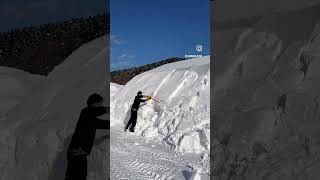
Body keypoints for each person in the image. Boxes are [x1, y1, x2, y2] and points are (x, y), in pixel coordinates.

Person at [65, 93, 109, 180]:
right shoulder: (86, 113)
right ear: (94, 103)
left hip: (81, 152)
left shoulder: (90, 119)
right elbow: (95, 111)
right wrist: (107, 109)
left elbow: (103, 123)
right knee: (73, 177)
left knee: (80, 177)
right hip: (76, 151)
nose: (101, 105)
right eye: (100, 104)